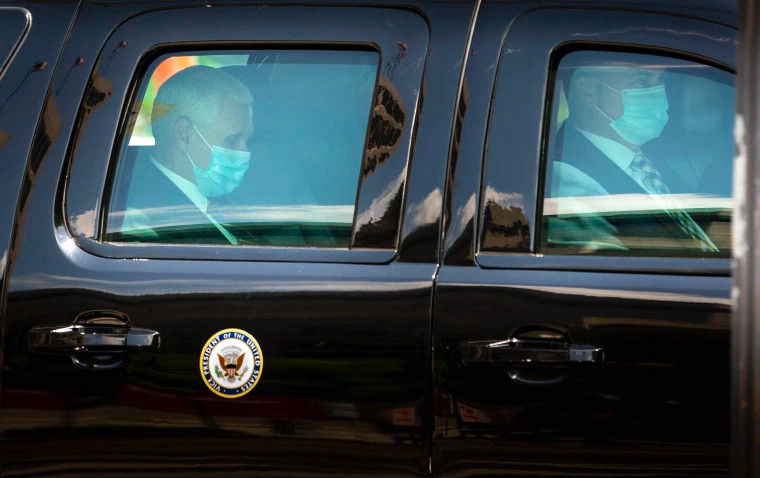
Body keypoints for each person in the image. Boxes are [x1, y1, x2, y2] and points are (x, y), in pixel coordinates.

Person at [546, 63, 718, 253]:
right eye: (642, 81)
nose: (658, 95)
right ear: (589, 91)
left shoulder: (650, 166)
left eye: (661, 82)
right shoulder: (565, 177)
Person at [119, 65, 254, 244]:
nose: (244, 152)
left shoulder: (221, 204)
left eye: (247, 141)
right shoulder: (142, 226)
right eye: (232, 140)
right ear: (185, 135)